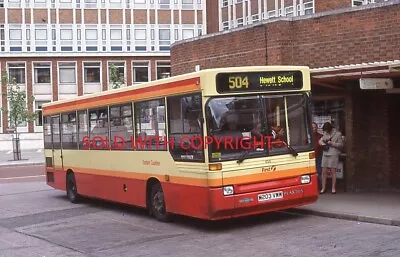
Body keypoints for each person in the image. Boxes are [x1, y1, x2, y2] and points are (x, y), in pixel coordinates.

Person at [318, 122, 344, 194]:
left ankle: (333, 188)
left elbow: (341, 145)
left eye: (326, 130)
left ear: (330, 129)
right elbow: (321, 140)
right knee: (324, 171)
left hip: (333, 153)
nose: (325, 131)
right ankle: (323, 188)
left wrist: (333, 143)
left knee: (333, 171)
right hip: (325, 153)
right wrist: (321, 142)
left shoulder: (338, 134)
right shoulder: (325, 133)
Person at [312, 122, 323, 190]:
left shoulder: (320, 136)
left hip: (319, 156)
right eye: (313, 127)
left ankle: (320, 187)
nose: (314, 129)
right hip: (310, 157)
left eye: (315, 127)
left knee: (319, 172)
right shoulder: (308, 136)